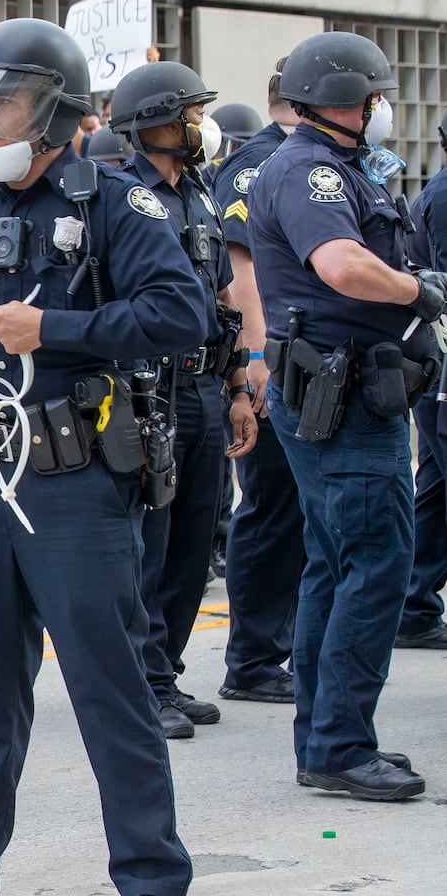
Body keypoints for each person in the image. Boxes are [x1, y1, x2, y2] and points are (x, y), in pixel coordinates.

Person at [0, 17, 205, 896]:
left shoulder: (113, 203)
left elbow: (182, 316)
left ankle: (150, 874)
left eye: (7, 101)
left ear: (57, 116)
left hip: (76, 484)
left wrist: (57, 329)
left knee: (111, 694)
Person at [248, 30, 439, 802]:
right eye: (378, 96)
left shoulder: (335, 166)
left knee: (334, 566)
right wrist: (416, 288)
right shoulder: (311, 174)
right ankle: (339, 746)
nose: (386, 108)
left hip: (342, 393)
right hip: (347, 401)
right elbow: (341, 266)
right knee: (377, 566)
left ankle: (325, 739)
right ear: (351, 102)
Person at [109, 62, 258, 741]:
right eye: (189, 115)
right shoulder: (120, 197)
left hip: (202, 386)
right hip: (149, 391)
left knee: (196, 541)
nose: (201, 125)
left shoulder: (198, 194)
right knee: (152, 544)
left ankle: (164, 670)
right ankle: (142, 683)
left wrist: (236, 389)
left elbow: (224, 304)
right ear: (155, 124)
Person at [213, 59, 307, 704]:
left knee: (302, 514)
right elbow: (243, 276)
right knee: (273, 509)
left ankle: (291, 644)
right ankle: (252, 658)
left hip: (316, 363)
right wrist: (256, 360)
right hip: (277, 363)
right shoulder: (258, 164)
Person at [396, 109, 447, 650]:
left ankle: (412, 607)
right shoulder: (445, 195)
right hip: (440, 370)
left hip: (435, 372)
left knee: (434, 491)